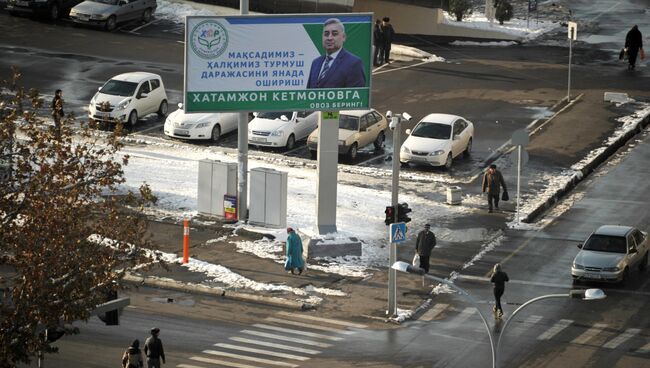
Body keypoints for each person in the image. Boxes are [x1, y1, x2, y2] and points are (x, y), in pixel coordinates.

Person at [307, 18, 366, 88]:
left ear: (344, 37)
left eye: (334, 34)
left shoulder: (354, 63)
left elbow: (356, 96)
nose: (329, 38)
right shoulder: (315, 63)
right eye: (326, 34)